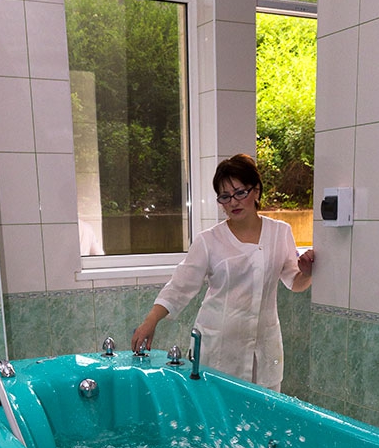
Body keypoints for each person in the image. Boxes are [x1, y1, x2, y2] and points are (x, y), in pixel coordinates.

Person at [131, 154, 315, 392]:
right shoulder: (209, 240)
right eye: (225, 196)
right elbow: (179, 287)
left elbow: (295, 282)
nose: (233, 202)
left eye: (240, 193)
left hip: (263, 350)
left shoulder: (280, 232)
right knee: (217, 412)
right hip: (219, 350)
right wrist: (150, 322)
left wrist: (306, 273)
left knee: (263, 413)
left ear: (256, 191)